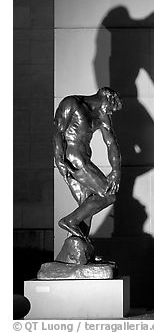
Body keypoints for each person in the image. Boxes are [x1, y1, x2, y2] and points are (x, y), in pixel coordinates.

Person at [52, 87, 122, 241]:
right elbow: (57, 131)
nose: (110, 113)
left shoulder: (102, 115)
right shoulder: (72, 103)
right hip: (73, 159)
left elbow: (111, 143)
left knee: (86, 204)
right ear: (107, 99)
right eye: (111, 108)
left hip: (83, 159)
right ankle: (69, 221)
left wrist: (116, 170)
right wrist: (59, 160)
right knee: (108, 195)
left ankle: (81, 249)